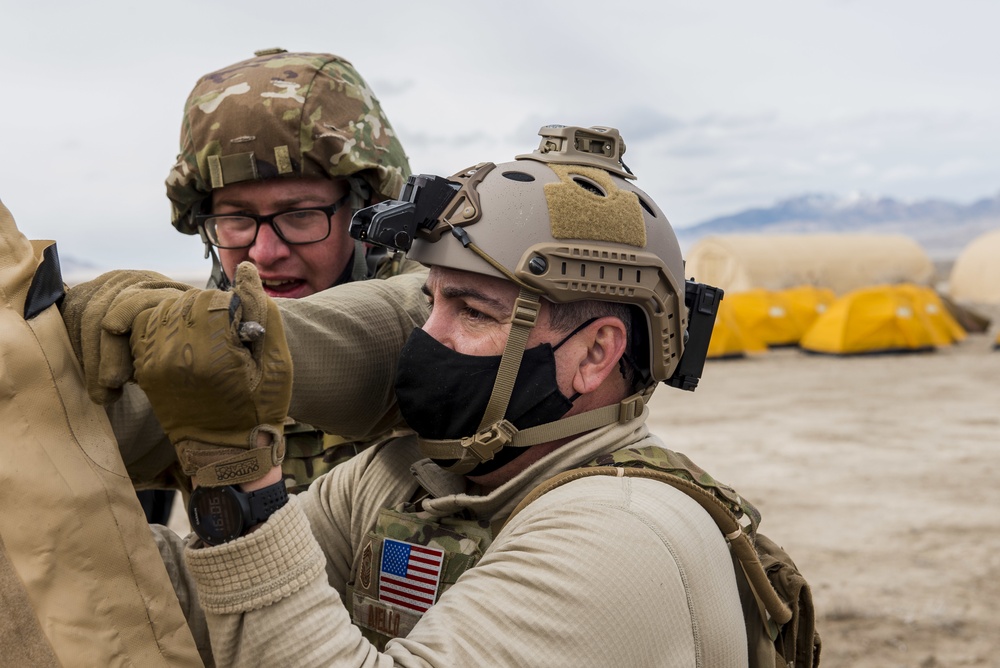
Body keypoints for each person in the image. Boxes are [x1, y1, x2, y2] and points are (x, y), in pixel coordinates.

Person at [126, 125, 752, 666]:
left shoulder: (622, 535)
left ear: (595, 354)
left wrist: (243, 486)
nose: (428, 338)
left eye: (473, 312)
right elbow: (195, 611)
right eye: (431, 301)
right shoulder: (413, 476)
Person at [107, 48, 425, 505]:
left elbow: (405, 314)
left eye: (299, 215)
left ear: (367, 215)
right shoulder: (187, 347)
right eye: (236, 219)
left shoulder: (451, 314)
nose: (263, 253)